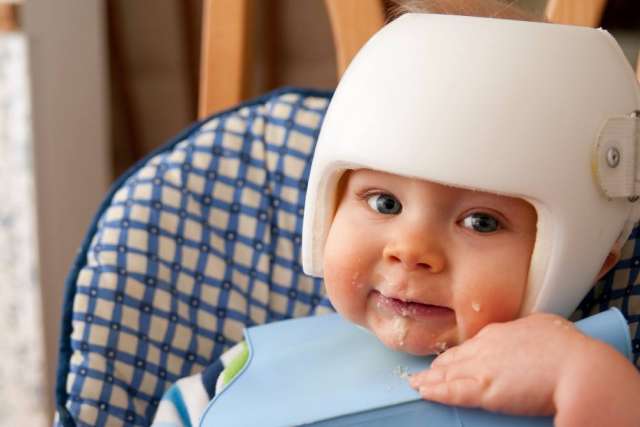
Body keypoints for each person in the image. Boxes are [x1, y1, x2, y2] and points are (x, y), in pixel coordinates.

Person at [153, 2, 640, 426]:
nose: (410, 251)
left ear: (587, 261)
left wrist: (590, 382)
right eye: (384, 203)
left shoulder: (591, 390)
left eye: (481, 222)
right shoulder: (237, 379)